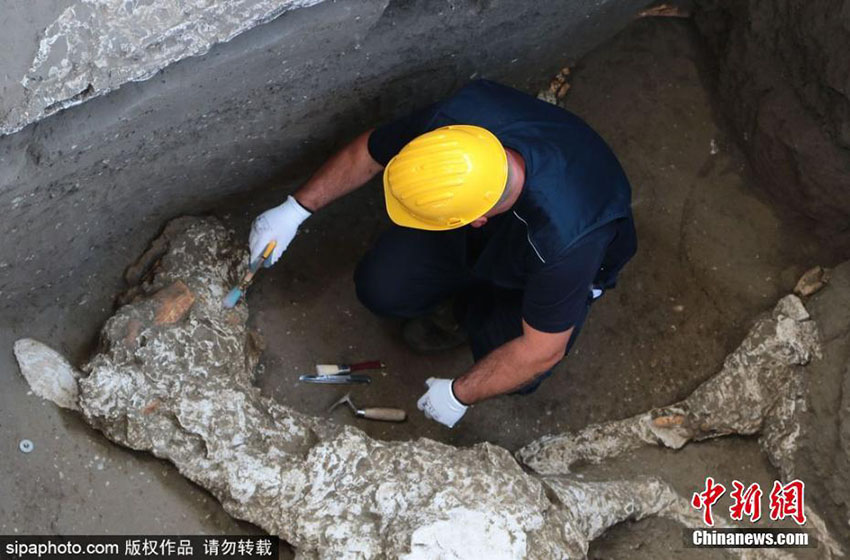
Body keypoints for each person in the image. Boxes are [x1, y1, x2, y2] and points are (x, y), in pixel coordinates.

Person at [249, 80, 637, 428]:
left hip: (539, 267)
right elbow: (368, 152)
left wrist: (459, 393)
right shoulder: (454, 130)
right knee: (381, 287)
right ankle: (457, 305)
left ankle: (472, 313)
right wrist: (294, 210)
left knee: (518, 367)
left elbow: (541, 351)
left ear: (477, 219)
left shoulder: (567, 244)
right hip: (489, 236)